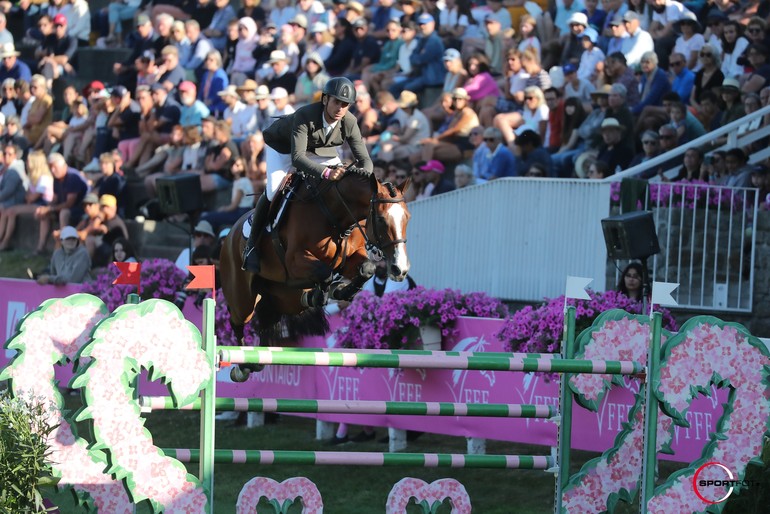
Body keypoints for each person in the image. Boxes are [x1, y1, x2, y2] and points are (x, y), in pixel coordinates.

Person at [242, 76, 372, 273]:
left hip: (320, 151)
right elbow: (298, 159)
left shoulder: (350, 121)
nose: (340, 109)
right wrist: (327, 173)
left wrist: (363, 181)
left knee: (343, 186)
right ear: (326, 99)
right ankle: (252, 246)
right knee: (273, 190)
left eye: (345, 104)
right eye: (337, 102)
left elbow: (365, 160)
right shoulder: (305, 115)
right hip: (284, 149)